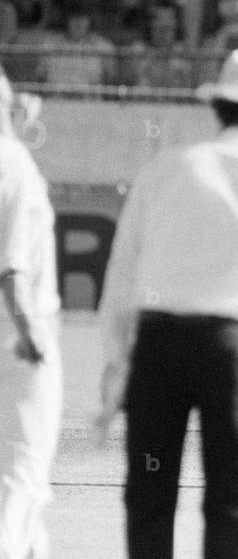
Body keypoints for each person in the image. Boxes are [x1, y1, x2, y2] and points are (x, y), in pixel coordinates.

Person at [95, 49, 238, 559]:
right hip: (229, 349)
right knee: (231, 497)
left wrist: (115, 367)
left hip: (157, 345)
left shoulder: (167, 168)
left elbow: (121, 277)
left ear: (217, 107)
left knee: (149, 494)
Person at [0, 67, 61, 559]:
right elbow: (13, 269)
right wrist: (31, 333)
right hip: (14, 337)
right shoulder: (14, 163)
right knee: (23, 473)